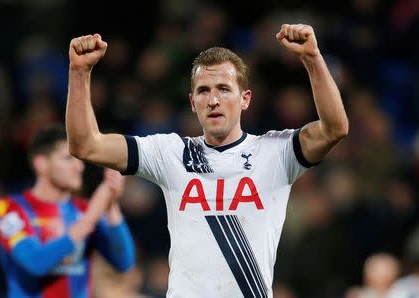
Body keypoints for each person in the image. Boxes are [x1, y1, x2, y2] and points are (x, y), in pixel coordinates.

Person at [66, 23, 349, 297]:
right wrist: (79, 72)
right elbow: (86, 145)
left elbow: (335, 128)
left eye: (224, 89)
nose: (213, 100)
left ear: (245, 99)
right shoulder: (170, 153)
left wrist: (312, 59)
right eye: (203, 91)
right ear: (192, 102)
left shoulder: (276, 152)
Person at [0, 124, 135, 298]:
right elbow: (35, 262)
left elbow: (123, 262)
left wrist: (111, 206)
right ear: (41, 164)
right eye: (68, 158)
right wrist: (89, 220)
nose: (79, 167)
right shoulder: (9, 209)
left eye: (79, 159)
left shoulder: (84, 210)